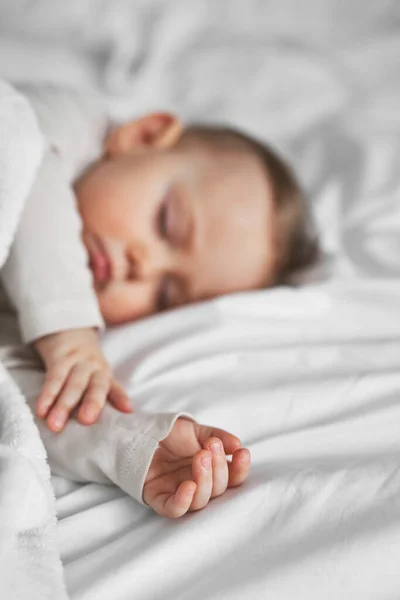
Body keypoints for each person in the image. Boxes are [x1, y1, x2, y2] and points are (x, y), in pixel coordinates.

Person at [0, 83, 318, 517]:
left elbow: (20, 397)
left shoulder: (39, 325)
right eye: (166, 222)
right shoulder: (67, 120)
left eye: (166, 293)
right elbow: (22, 155)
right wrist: (68, 327)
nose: (143, 266)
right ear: (144, 138)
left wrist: (132, 446)